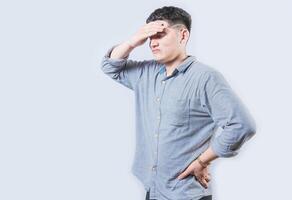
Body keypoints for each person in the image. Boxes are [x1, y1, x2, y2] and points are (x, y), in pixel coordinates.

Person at [100, 6, 256, 200]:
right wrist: (133, 41)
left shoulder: (206, 78)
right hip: (153, 190)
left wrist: (202, 161)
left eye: (159, 35)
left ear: (183, 35)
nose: (152, 43)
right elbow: (109, 66)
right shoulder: (145, 73)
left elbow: (242, 125)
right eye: (149, 37)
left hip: (186, 194)